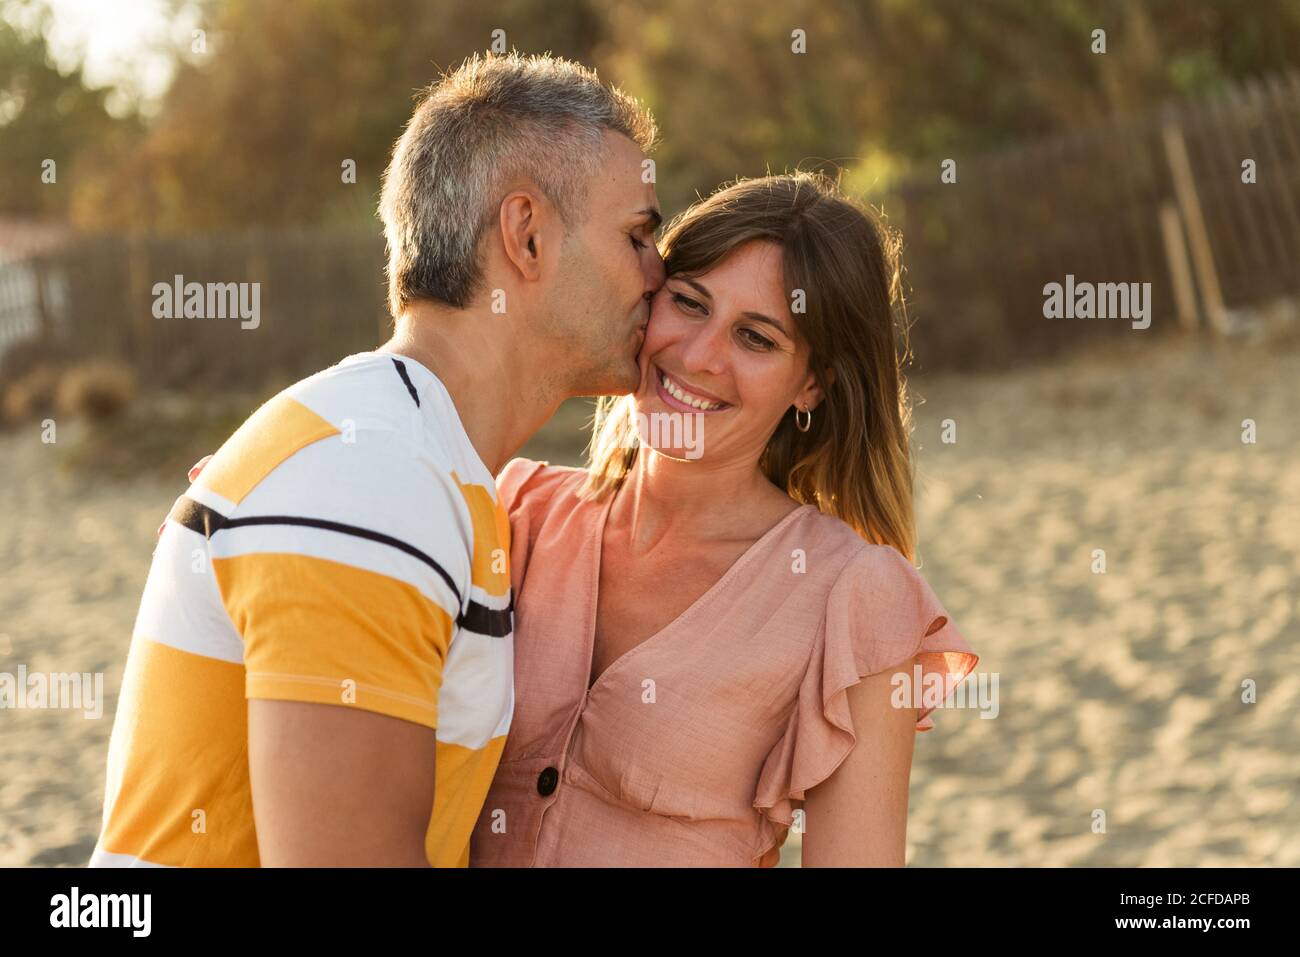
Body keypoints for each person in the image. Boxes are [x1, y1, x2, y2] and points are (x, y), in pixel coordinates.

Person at [89, 52, 664, 867]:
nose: (658, 272)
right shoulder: (372, 478)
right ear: (527, 235)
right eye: (639, 234)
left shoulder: (408, 463)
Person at [468, 172, 980, 867]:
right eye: (689, 302)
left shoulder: (852, 597)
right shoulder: (514, 509)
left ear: (812, 384)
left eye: (756, 338)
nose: (699, 355)